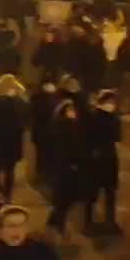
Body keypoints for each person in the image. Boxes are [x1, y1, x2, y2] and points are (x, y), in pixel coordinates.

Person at [46, 100, 90, 236]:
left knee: (63, 198)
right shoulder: (67, 127)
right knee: (65, 198)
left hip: (63, 166)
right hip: (67, 167)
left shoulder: (63, 126)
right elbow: (70, 147)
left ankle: (55, 220)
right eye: (70, 110)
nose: (73, 113)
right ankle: (60, 225)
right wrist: (74, 163)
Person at [85, 90, 122, 235]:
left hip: (109, 158)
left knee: (110, 192)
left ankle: (110, 221)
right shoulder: (94, 117)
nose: (112, 105)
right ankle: (88, 223)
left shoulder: (112, 117)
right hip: (97, 159)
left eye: (113, 102)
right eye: (110, 101)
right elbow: (88, 138)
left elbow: (116, 136)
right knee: (92, 194)